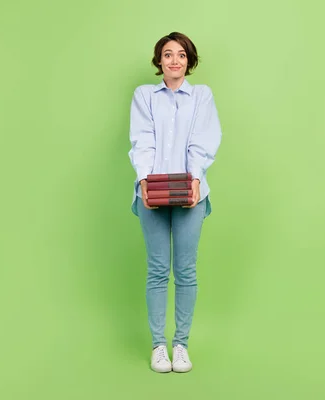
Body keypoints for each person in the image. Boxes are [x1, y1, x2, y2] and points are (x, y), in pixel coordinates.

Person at [128, 32, 222, 373]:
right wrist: (144, 183)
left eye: (181, 55)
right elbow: (142, 140)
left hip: (190, 192)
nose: (174, 60)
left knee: (185, 270)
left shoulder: (201, 96)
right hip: (152, 191)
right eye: (167, 54)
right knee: (157, 270)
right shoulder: (144, 96)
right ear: (158, 61)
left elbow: (203, 139)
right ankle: (158, 346)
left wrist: (195, 178)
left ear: (189, 60)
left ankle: (180, 344)